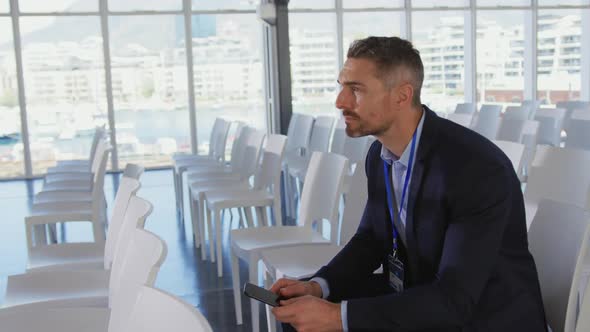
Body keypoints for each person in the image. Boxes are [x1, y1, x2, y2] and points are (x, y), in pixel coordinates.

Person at [270, 36, 547, 332]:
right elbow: (371, 239)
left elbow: (454, 300)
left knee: (329, 320)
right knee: (298, 314)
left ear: (402, 96)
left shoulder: (476, 169)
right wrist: (318, 286)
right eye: (342, 87)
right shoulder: (380, 155)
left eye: (356, 90)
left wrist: (336, 317)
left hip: (483, 316)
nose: (340, 101)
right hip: (423, 292)